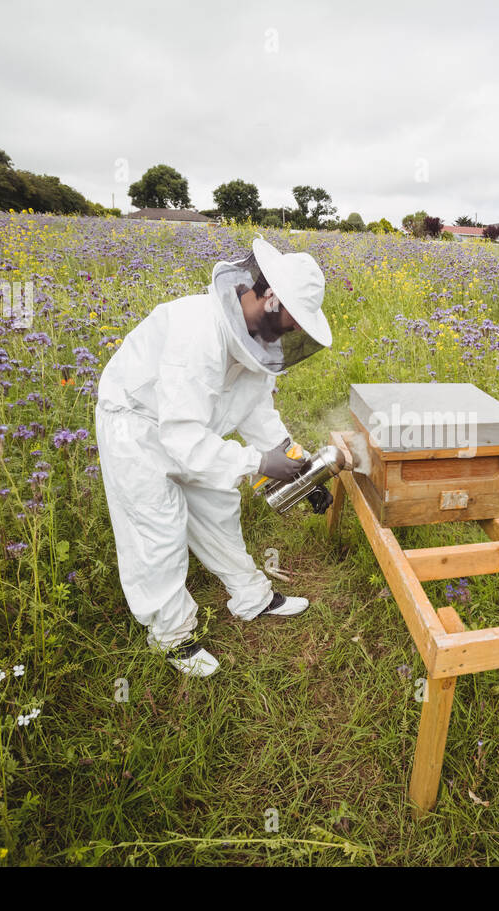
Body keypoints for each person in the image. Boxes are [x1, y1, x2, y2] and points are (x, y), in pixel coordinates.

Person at [94, 236, 332, 677]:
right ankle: (172, 636)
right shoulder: (196, 331)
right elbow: (181, 438)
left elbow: (258, 413)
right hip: (136, 426)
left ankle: (252, 597)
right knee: (157, 529)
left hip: (189, 431)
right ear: (271, 298)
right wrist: (259, 464)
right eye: (296, 318)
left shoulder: (257, 344)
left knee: (218, 508)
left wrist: (301, 473)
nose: (297, 330)